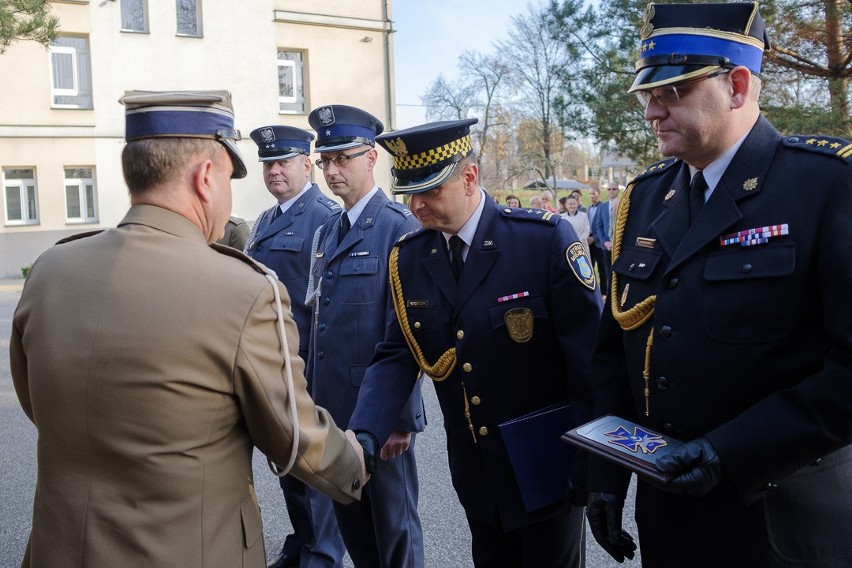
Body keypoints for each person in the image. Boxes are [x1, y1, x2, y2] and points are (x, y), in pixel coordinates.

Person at [9, 90, 367, 568]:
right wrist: (354, 464)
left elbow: (39, 402)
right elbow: (294, 437)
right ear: (204, 177)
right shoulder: (242, 289)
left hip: (61, 549)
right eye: (229, 177)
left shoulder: (51, 269)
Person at [585, 3, 852, 567]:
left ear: (736, 85)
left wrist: (729, 451)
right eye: (646, 95)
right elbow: (616, 354)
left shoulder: (826, 186)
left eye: (672, 92)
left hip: (781, 518)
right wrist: (606, 477)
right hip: (672, 520)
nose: (651, 111)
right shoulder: (645, 199)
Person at [350, 118, 603, 567]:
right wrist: (365, 432)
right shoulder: (410, 258)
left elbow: (589, 359)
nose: (416, 205)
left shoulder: (541, 241)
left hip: (548, 461)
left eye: (429, 190)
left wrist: (595, 467)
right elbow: (397, 351)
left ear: (470, 178)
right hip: (477, 468)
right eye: (409, 191)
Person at [305, 104, 425, 568]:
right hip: (334, 412)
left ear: (371, 157)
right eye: (325, 161)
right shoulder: (328, 231)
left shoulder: (399, 227)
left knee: (396, 534)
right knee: (355, 530)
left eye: (343, 159)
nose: (332, 171)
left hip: (378, 415)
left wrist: (401, 417)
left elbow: (410, 334)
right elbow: (322, 323)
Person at [244, 125, 345, 568]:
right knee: (287, 463)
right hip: (273, 366)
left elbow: (327, 303)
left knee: (314, 468)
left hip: (305, 369)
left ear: (308, 165)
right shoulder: (266, 220)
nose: (274, 171)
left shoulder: (324, 216)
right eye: (268, 163)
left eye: (283, 161)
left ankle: (322, 554)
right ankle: (304, 542)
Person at [590, 184, 619, 292]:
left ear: (618, 191)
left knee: (619, 272)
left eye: (614, 189)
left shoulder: (623, 204)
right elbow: (599, 226)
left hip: (619, 245)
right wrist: (605, 242)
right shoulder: (603, 207)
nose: (611, 191)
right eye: (609, 189)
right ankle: (609, 297)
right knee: (608, 273)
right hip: (606, 246)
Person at [585, 188, 608, 294]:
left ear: (599, 194)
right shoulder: (589, 208)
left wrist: (594, 238)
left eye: (593, 193)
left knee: (602, 269)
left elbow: (603, 226)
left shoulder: (603, 207)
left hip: (599, 243)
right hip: (588, 243)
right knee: (589, 269)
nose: (592, 196)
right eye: (590, 194)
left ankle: (604, 292)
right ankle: (593, 291)